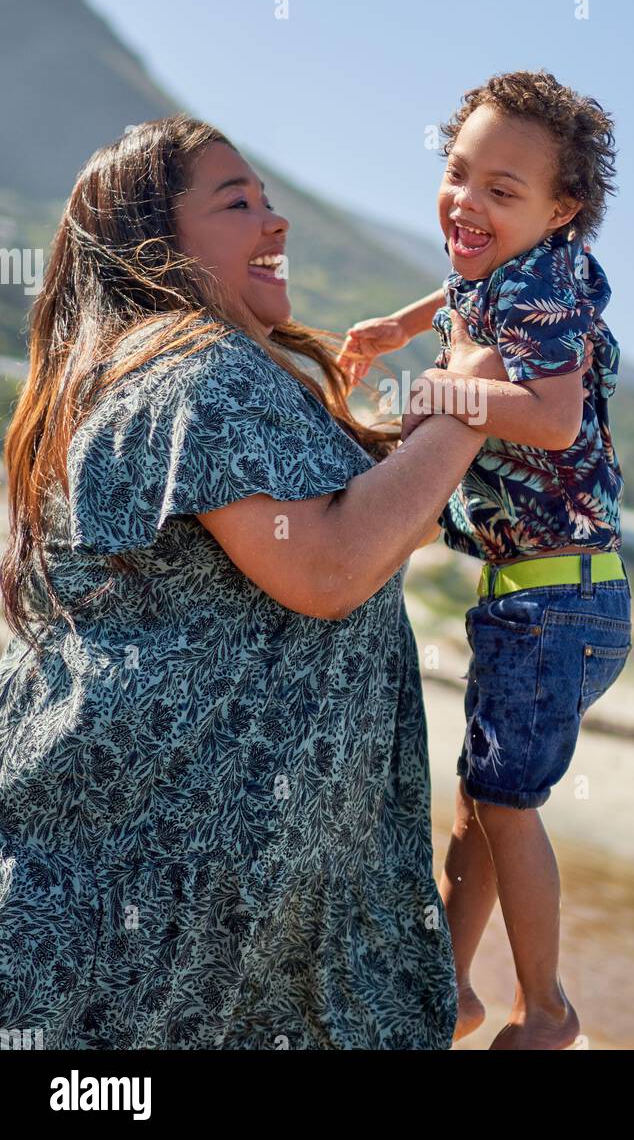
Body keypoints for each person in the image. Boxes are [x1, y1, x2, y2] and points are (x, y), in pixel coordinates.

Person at [0, 114, 514, 1050]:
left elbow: (351, 533)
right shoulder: (194, 370)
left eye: (272, 202)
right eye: (238, 204)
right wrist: (468, 400)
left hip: (180, 920)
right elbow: (325, 567)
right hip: (148, 921)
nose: (275, 225)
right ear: (151, 240)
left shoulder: (203, 371)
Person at [338, 69, 631, 1050]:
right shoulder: (511, 263)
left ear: (563, 211)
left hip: (560, 602)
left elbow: (549, 419)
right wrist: (401, 325)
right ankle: (450, 986)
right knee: (481, 803)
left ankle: (544, 1010)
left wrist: (447, 394)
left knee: (507, 807)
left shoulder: (544, 285)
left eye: (502, 192)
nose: (467, 202)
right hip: (541, 592)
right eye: (458, 172)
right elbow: (465, 287)